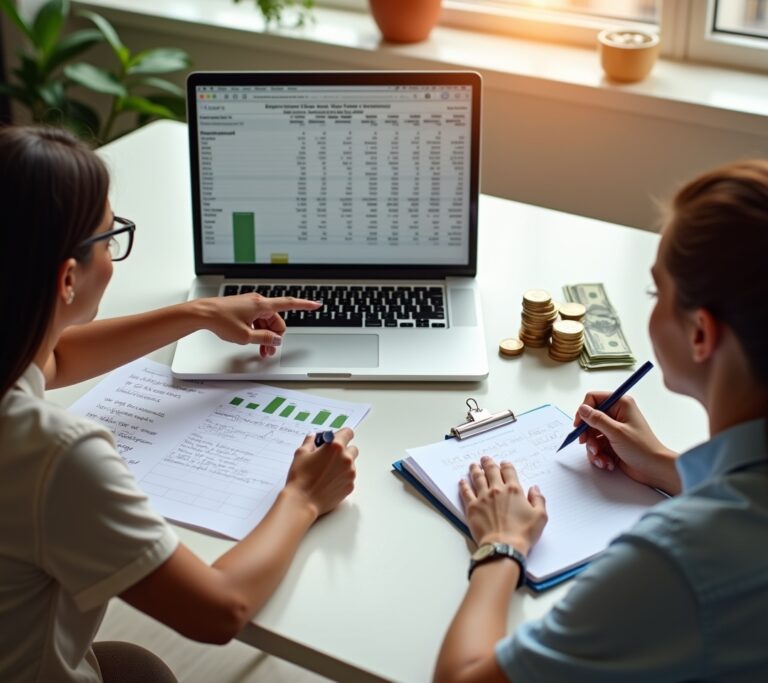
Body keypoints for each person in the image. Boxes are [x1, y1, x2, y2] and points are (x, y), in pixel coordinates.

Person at [0, 125, 359, 682]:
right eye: (109, 239)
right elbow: (219, 610)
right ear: (68, 279)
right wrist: (304, 496)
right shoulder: (54, 456)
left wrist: (198, 312)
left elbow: (54, 358)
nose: (115, 257)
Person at [434, 160, 768, 682]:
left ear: (701, 334)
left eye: (657, 294)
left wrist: (501, 546)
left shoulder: (673, 563)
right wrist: (662, 464)